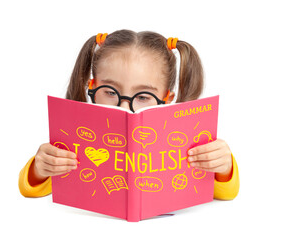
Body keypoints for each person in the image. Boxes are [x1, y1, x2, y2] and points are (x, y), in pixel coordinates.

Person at [19, 30, 239, 201]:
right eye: (110, 92)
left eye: (143, 96)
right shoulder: (73, 138)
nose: (124, 109)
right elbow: (30, 188)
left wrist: (223, 166)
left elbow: (224, 193)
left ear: (167, 97)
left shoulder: (186, 141)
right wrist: (40, 169)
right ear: (92, 86)